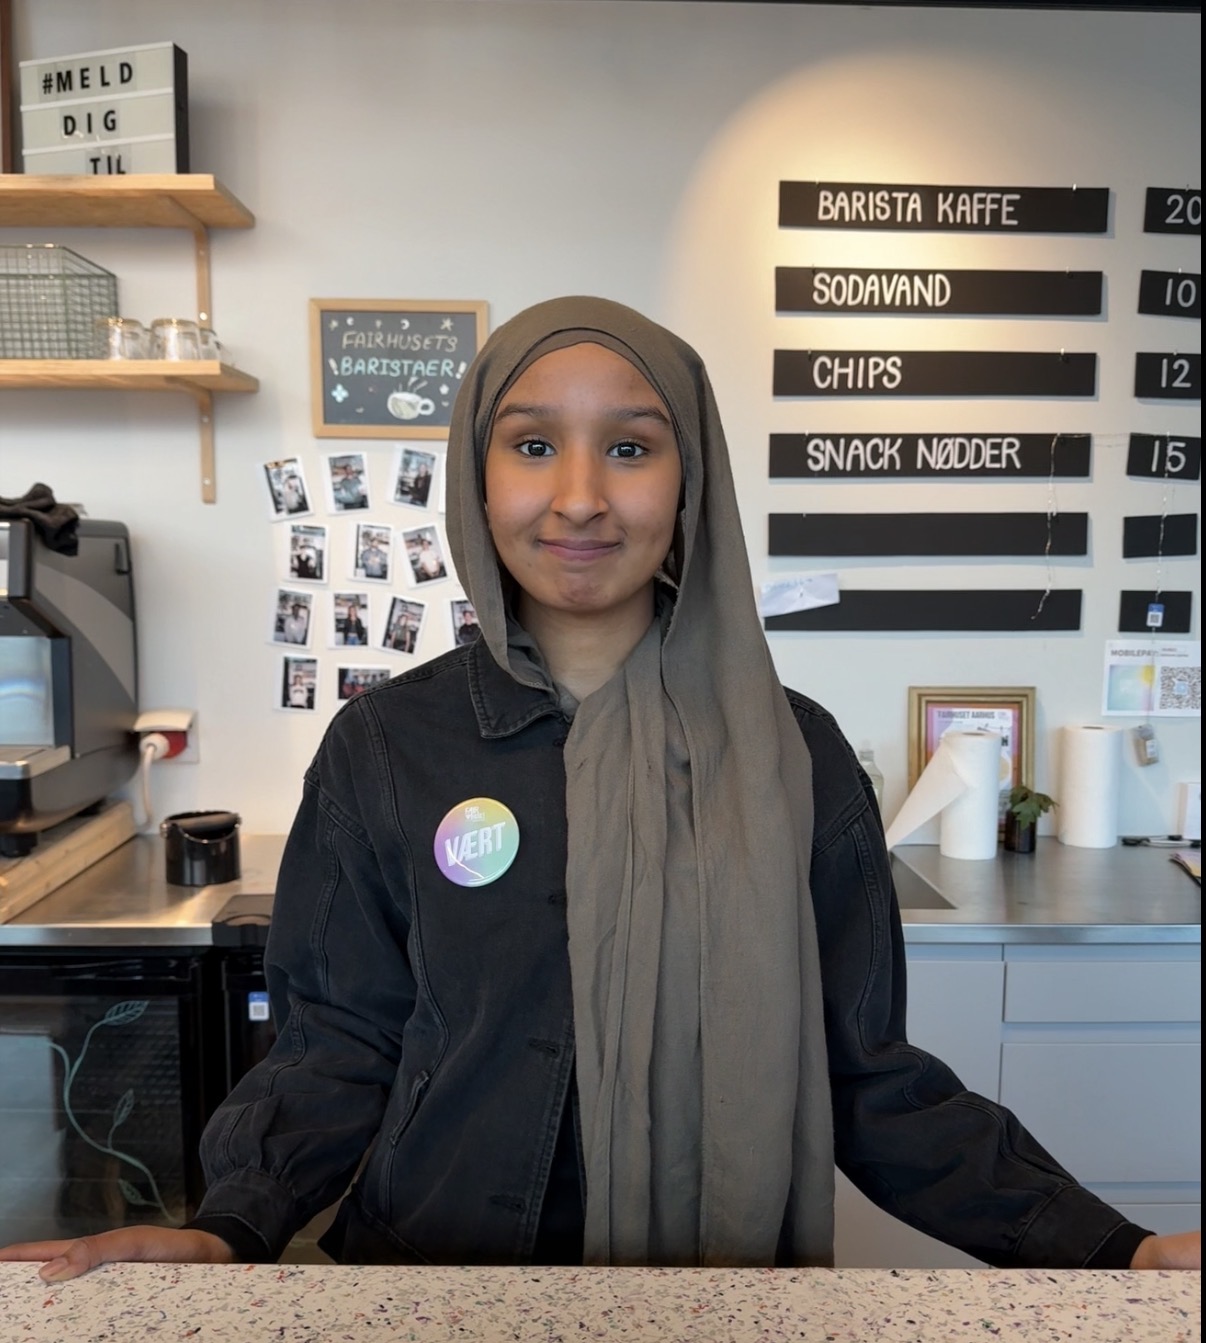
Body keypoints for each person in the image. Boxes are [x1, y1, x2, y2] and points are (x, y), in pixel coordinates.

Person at [2, 296, 1198, 1280]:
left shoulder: (797, 756)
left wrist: (1114, 1249)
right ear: (478, 477)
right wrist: (228, 1226)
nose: (579, 496)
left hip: (715, 1305)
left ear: (689, 481)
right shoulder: (388, 747)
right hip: (433, 1289)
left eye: (630, 447)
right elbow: (338, 1046)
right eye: (533, 446)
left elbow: (869, 1077)